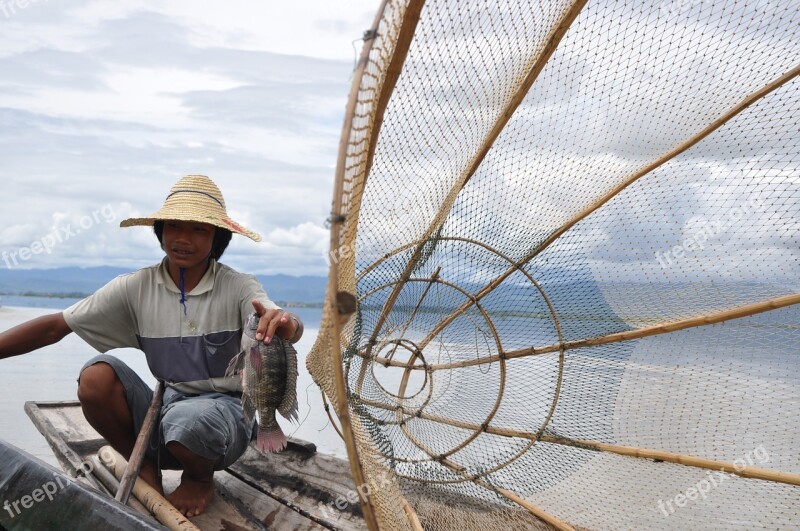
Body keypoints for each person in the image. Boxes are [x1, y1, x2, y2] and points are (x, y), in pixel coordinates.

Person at [0, 175, 304, 517]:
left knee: (192, 421)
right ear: (159, 231)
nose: (183, 239)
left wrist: (285, 323)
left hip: (225, 417)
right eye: (173, 226)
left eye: (199, 230)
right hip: (168, 406)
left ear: (218, 237)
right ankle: (143, 463)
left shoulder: (238, 286)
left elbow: (281, 322)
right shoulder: (136, 287)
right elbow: (56, 326)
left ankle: (199, 478)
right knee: (96, 377)